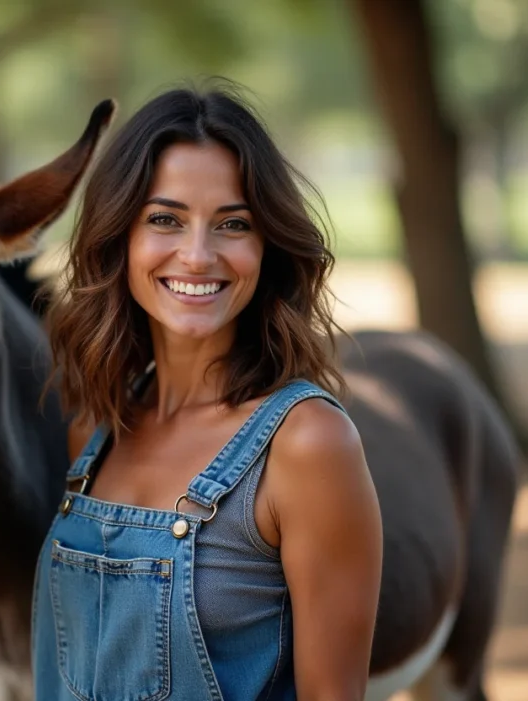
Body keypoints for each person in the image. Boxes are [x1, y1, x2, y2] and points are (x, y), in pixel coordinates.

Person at [33, 82, 383, 701]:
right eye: (165, 219)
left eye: (233, 224)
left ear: (266, 246)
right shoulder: (96, 429)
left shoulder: (307, 444)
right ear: (122, 238)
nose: (197, 255)